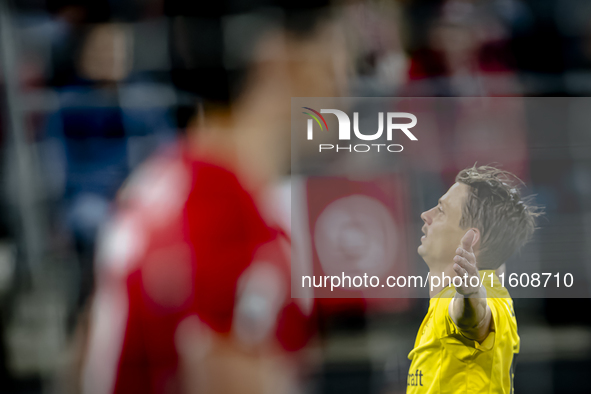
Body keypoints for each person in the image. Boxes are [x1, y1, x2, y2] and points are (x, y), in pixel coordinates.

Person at [79, 2, 348, 394]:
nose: (346, 81)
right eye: (338, 47)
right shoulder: (222, 223)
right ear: (282, 55)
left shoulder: (173, 182)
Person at [407, 165, 542, 393]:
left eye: (441, 210)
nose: (426, 215)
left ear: (470, 237)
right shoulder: (493, 282)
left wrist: (470, 294)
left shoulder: (471, 299)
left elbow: (473, 319)